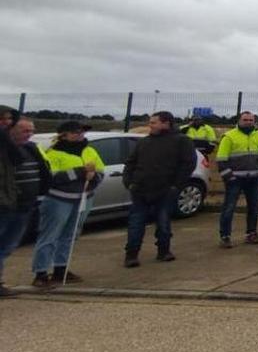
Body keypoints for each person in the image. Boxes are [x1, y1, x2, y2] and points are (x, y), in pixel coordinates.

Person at [31, 121, 104, 288]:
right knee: (49, 235)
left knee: (70, 236)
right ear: (64, 134)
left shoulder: (89, 149)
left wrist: (93, 178)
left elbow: (100, 170)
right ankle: (40, 273)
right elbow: (52, 177)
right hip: (58, 199)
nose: (80, 135)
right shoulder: (52, 152)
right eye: (75, 132)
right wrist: (79, 172)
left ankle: (60, 269)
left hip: (83, 198)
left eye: (82, 132)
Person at [122, 111, 196, 268]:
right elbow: (130, 163)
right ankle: (131, 254)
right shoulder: (144, 142)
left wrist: (176, 186)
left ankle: (163, 251)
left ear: (166, 123)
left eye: (153, 123)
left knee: (163, 222)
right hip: (140, 189)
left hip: (165, 190)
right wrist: (129, 183)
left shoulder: (181, 141)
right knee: (136, 222)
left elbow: (188, 165)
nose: (150, 126)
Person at [1, 112, 50, 296]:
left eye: (32, 130)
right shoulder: (4, 150)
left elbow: (44, 171)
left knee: (7, 246)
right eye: (24, 130)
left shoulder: (31, 148)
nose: (29, 134)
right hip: (5, 206)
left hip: (25, 206)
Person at [216, 111, 258, 248]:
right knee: (229, 208)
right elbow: (221, 159)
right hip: (235, 180)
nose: (248, 122)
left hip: (254, 179)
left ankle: (251, 233)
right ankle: (225, 236)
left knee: (254, 208)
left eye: (251, 120)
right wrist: (230, 177)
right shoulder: (229, 136)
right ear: (239, 120)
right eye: (245, 120)